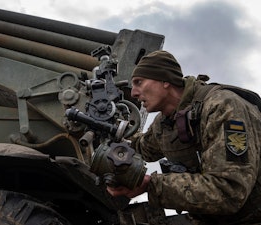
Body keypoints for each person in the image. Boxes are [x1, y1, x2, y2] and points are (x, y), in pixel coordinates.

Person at [107, 50, 261, 224]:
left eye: (139, 82)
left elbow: (229, 192)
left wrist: (151, 185)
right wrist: (109, 129)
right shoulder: (165, 121)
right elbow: (142, 148)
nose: (134, 92)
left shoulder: (222, 106)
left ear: (165, 81)